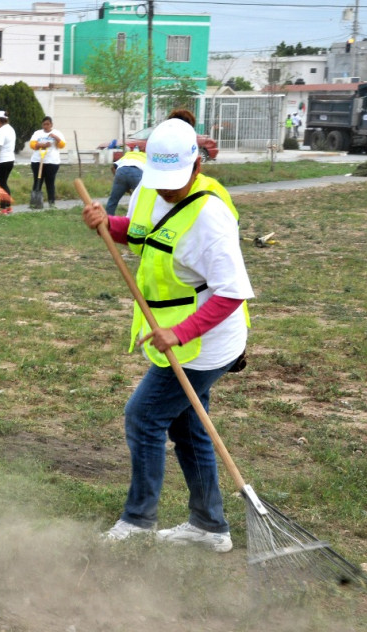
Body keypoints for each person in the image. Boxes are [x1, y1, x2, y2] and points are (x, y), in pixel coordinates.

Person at [82, 118, 254, 553]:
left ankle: (138, 521)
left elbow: (232, 291)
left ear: (196, 167)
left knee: (144, 415)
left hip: (207, 341)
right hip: (173, 331)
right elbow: (143, 237)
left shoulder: (211, 216)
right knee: (188, 425)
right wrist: (108, 225)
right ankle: (209, 526)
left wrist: (180, 333)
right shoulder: (147, 190)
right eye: (161, 182)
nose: (166, 191)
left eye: (175, 183)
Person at [28, 116, 65, 208]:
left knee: (50, 182)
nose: (46, 126)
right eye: (44, 124)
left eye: (48, 124)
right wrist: (42, 145)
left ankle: (51, 203)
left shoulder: (57, 133)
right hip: (37, 161)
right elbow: (32, 145)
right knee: (37, 181)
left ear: (51, 124)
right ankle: (35, 203)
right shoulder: (38, 133)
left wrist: (55, 137)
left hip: (52, 162)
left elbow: (62, 145)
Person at [106, 149, 145, 216]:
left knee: (113, 200)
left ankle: (107, 221)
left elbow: (112, 167)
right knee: (140, 200)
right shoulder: (145, 156)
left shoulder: (128, 155)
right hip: (137, 171)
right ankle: (137, 220)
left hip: (121, 171)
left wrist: (121, 182)